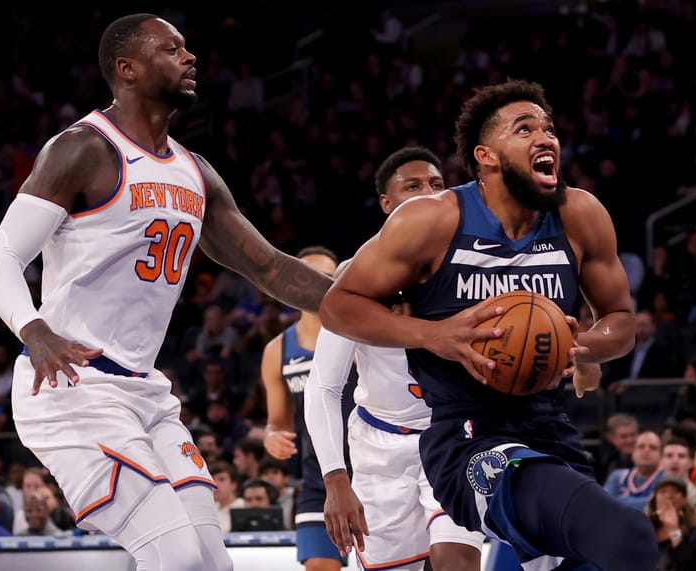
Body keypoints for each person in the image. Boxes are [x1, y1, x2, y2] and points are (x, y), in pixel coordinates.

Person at [0, 13, 333, 571]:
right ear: (128, 68)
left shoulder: (196, 171)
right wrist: (34, 328)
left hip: (145, 393)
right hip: (73, 385)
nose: (190, 58)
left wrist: (375, 298)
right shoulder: (82, 150)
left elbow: (271, 269)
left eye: (187, 49)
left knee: (214, 563)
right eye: (172, 49)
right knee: (177, 558)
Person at [319, 79, 658, 570]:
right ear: (486, 156)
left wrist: (580, 345)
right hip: (468, 435)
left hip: (548, 427)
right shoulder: (433, 221)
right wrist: (436, 335)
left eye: (549, 129)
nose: (546, 138)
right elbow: (338, 306)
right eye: (525, 129)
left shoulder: (579, 214)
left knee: (619, 553)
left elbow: (622, 321)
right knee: (625, 533)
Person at [304, 147, 486, 571]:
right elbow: (324, 385)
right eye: (413, 186)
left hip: (452, 434)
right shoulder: (355, 276)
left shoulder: (472, 266)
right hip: (379, 448)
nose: (428, 193)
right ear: (386, 204)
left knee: (456, 560)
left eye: (438, 185)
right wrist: (335, 479)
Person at [260, 245, 351, 570]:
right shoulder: (277, 350)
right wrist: (272, 437)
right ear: (291, 285)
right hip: (320, 477)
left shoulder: (360, 332)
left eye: (326, 277)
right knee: (318, 565)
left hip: (372, 468)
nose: (316, 283)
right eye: (308, 276)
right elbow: (278, 423)